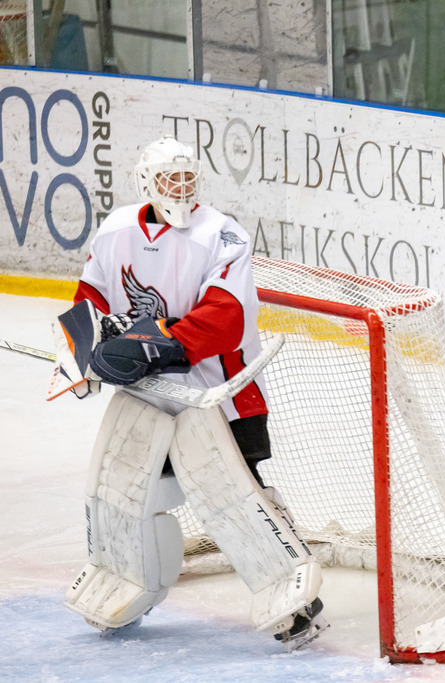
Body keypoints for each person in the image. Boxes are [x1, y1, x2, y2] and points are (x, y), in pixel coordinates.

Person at [53, 136, 328, 649]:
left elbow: (226, 318)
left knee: (230, 496)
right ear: (145, 183)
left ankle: (292, 595)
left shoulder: (222, 235)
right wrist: (83, 356)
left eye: (187, 178)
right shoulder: (116, 231)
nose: (180, 188)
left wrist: (154, 345)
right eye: (168, 180)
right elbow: (88, 299)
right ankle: (126, 582)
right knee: (124, 491)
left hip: (220, 392)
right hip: (150, 391)